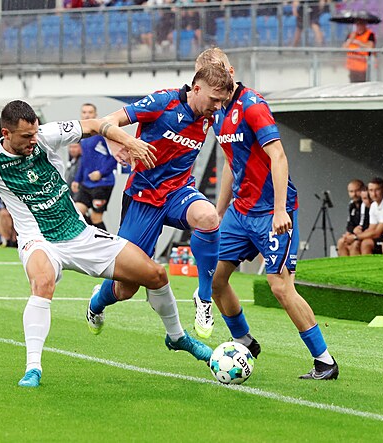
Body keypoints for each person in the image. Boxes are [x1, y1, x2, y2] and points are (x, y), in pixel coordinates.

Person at [0, 99, 212, 388]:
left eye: (35, 133)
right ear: (6, 133)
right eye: (26, 137)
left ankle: (176, 337)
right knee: (43, 282)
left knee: (155, 275)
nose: (33, 141)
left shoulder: (46, 135)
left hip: (79, 234)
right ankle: (33, 367)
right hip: (38, 240)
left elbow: (95, 124)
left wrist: (128, 140)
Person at [195, 47, 339, 380]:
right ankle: (244, 340)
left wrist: (279, 210)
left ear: (230, 71)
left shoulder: (253, 106)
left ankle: (325, 361)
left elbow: (279, 157)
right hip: (239, 212)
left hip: (271, 213)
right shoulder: (217, 112)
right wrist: (219, 212)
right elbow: (231, 162)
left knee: (280, 287)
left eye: (219, 73)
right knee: (215, 280)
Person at [86, 63, 233, 340]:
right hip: (143, 197)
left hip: (178, 192)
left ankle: (203, 297)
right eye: (214, 99)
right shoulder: (163, 102)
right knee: (126, 288)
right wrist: (118, 143)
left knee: (208, 216)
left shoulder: (212, 113)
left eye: (221, 101)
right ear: (196, 89)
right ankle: (97, 303)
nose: (217, 106)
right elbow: (109, 120)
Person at [71, 103, 118, 231]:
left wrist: (101, 173)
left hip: (102, 184)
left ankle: (107, 242)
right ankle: (90, 238)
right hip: (86, 184)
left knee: (96, 218)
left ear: (95, 115)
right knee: (77, 213)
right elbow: (84, 159)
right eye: (84, 112)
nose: (87, 115)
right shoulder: (82, 136)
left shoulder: (102, 133)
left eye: (90, 112)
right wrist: (77, 179)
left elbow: (115, 157)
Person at [345, 177, 383, 255]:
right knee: (354, 243)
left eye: (377, 190)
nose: (374, 194)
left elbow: (377, 233)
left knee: (366, 244)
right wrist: (354, 237)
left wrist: (355, 237)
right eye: (371, 190)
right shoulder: (374, 205)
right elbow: (371, 229)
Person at [342, 18, 376, 83]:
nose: (359, 26)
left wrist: (358, 42)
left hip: (364, 68)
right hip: (352, 67)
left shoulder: (369, 34)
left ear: (365, 25)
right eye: (357, 24)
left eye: (361, 24)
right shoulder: (351, 35)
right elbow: (344, 47)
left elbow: (370, 46)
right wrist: (351, 39)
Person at [337, 179, 364, 256]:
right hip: (354, 234)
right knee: (341, 242)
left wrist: (354, 235)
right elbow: (350, 224)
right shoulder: (351, 205)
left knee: (355, 245)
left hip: (364, 234)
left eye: (357, 191)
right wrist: (348, 235)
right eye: (351, 191)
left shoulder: (367, 203)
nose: (354, 194)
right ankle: (344, 264)